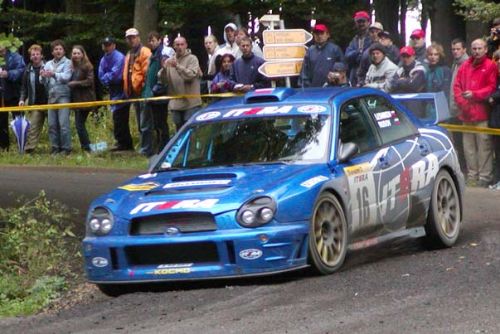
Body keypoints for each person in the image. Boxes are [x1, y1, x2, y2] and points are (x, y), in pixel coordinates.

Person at [454, 39, 497, 187]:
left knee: (484, 147)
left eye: (479, 48)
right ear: (470, 50)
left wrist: (475, 94)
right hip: (466, 113)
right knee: (469, 147)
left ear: (486, 49)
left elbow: (491, 87)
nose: (477, 51)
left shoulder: (490, 66)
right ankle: (472, 175)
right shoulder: (465, 66)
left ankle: (485, 176)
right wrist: (463, 103)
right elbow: (457, 86)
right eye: (474, 48)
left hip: (482, 113)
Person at [159, 36, 202, 131]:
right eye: (177, 45)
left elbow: (191, 75)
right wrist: (164, 69)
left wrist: (177, 66)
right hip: (176, 104)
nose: (180, 47)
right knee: (178, 131)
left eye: (182, 44)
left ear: (186, 45)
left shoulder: (192, 59)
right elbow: (163, 80)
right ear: (174, 46)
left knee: (190, 130)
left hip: (191, 103)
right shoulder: (170, 60)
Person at [98, 36, 133, 151]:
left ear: (113, 45)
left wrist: (106, 78)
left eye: (109, 45)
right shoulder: (104, 59)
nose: (107, 47)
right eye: (105, 45)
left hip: (122, 91)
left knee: (121, 118)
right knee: (117, 118)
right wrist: (106, 78)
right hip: (112, 91)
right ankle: (121, 142)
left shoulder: (119, 57)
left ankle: (125, 144)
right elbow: (100, 74)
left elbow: (116, 75)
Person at [122, 27, 152, 155]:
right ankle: (144, 147)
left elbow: (147, 71)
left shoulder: (144, 51)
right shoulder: (129, 54)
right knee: (140, 122)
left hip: (143, 91)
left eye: (133, 37)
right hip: (133, 92)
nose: (131, 40)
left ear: (138, 38)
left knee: (145, 122)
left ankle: (146, 149)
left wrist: (144, 86)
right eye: (129, 38)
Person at [41, 39, 72, 155]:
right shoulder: (47, 64)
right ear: (52, 52)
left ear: (64, 51)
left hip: (63, 95)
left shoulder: (68, 63)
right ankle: (55, 147)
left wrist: (53, 74)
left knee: (63, 124)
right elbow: (42, 81)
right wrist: (43, 76)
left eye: (60, 49)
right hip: (51, 95)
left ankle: (66, 148)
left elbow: (66, 77)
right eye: (56, 49)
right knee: (52, 124)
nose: (58, 51)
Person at [142, 31, 169, 155]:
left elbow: (164, 76)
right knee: (156, 124)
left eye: (153, 40)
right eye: (150, 41)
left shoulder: (163, 54)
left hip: (160, 95)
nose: (151, 43)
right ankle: (159, 146)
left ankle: (164, 147)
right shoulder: (152, 55)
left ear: (159, 40)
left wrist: (154, 91)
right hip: (152, 95)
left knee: (161, 124)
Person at [67, 45, 96, 153]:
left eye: (78, 53)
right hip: (76, 100)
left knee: (79, 125)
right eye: (74, 53)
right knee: (79, 124)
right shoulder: (73, 67)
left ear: (83, 54)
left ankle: (87, 147)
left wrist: (75, 83)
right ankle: (86, 146)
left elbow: (89, 81)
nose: (76, 55)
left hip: (85, 99)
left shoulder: (88, 66)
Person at [20, 44, 47, 154]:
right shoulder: (27, 70)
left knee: (55, 127)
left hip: (50, 101)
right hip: (35, 102)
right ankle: (29, 149)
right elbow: (24, 88)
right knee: (33, 127)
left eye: (37, 54)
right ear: (30, 57)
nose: (35, 56)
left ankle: (59, 149)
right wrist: (22, 99)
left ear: (41, 55)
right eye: (33, 54)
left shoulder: (48, 66)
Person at [298, 23, 345, 88]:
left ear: (328, 35)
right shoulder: (310, 51)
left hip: (332, 89)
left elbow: (343, 69)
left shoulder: (335, 49)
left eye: (322, 33)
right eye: (317, 34)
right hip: (314, 90)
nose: (319, 36)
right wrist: (306, 87)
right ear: (314, 35)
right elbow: (305, 72)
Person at [448, 38, 469, 173]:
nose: (455, 52)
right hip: (454, 109)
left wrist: (463, 107)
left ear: (464, 49)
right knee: (458, 142)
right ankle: (462, 169)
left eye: (458, 49)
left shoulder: (467, 64)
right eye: (453, 49)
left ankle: (466, 169)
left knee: (465, 143)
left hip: (463, 110)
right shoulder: (455, 64)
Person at [0, 43, 25, 150]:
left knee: (18, 120)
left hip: (14, 93)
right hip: (1, 95)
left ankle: (22, 146)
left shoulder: (15, 56)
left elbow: (21, 71)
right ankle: (4, 147)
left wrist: (9, 74)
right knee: (1, 122)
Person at [345, 10, 372, 87]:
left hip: (368, 73)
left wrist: (359, 55)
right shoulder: (354, 39)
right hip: (354, 75)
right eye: (358, 22)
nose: (361, 24)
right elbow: (347, 56)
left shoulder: (372, 38)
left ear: (368, 22)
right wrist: (358, 53)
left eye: (363, 21)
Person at [487, 50, 500, 188]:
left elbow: (493, 96)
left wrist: (493, 97)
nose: (499, 62)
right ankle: (496, 180)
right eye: (496, 59)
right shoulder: (494, 78)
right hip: (495, 121)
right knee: (497, 153)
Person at [357, 21, 384, 86]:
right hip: (370, 85)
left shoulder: (389, 48)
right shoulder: (366, 53)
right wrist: (362, 83)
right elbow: (361, 73)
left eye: (377, 31)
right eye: (372, 32)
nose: (375, 34)